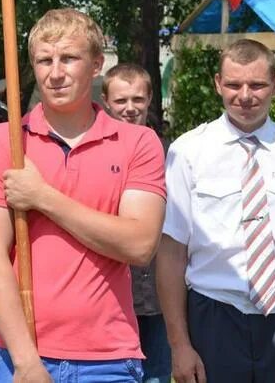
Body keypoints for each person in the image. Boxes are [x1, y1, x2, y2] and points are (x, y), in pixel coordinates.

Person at [0, 8, 166, 383]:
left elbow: (139, 244)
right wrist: (27, 362)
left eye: (69, 58)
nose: (55, 72)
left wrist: (43, 197)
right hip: (18, 357)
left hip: (109, 359)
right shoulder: (4, 142)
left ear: (96, 65)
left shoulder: (137, 142)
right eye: (44, 60)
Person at [156, 39, 275, 383]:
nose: (245, 95)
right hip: (214, 318)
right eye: (233, 84)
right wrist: (179, 345)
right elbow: (172, 254)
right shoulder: (188, 153)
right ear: (217, 83)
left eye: (257, 84)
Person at [102, 63, 171, 383]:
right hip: (111, 297)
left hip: (160, 295)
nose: (130, 109)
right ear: (105, 101)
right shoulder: (95, 154)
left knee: (156, 375)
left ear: (150, 100)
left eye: (138, 100)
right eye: (121, 101)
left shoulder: (173, 156)